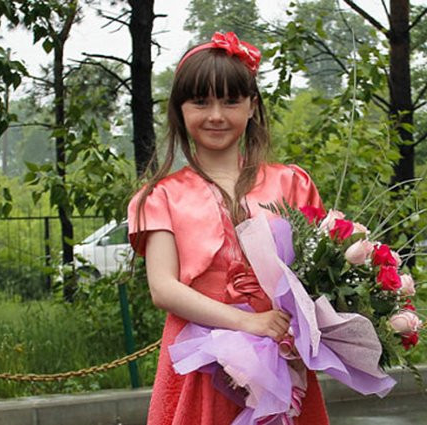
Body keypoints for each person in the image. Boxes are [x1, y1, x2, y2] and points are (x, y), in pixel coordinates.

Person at [128, 31, 330, 425]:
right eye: (201, 102)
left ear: (252, 106)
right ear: (179, 110)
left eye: (231, 101)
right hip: (200, 364)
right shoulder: (161, 197)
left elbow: (318, 274)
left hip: (281, 355)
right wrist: (248, 322)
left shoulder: (290, 183)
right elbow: (163, 288)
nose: (216, 115)